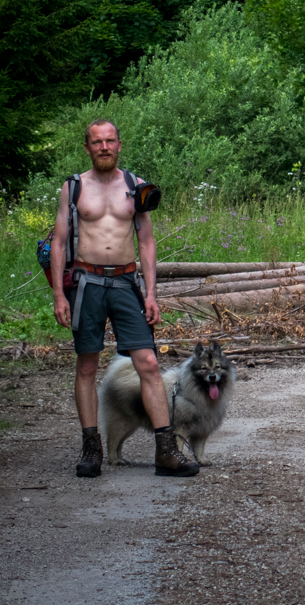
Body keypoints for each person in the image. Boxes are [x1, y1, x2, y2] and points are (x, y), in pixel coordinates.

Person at [51, 120, 198, 478]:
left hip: (125, 284)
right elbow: (58, 241)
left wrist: (151, 293)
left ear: (119, 145)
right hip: (85, 283)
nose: (104, 146)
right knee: (87, 366)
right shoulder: (73, 187)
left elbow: (146, 241)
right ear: (87, 147)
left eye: (110, 140)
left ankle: (166, 451)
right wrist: (59, 293)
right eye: (96, 141)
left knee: (147, 363)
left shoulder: (136, 187)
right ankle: (91, 449)